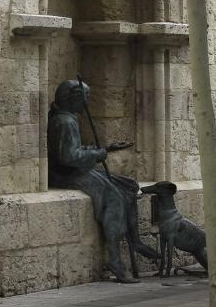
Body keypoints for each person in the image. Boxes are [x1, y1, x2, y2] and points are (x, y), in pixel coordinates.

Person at [47, 79, 158, 283]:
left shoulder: (68, 118)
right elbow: (69, 157)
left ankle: (135, 240)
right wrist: (97, 154)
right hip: (66, 174)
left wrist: (106, 149)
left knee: (129, 186)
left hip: (76, 169)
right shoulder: (64, 121)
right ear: (73, 98)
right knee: (114, 198)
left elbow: (74, 151)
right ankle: (115, 260)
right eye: (85, 98)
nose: (87, 103)